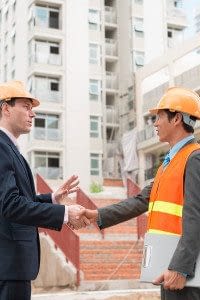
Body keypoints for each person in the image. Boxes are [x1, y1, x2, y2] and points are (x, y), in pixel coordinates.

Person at [82, 87, 200, 300]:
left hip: (184, 272)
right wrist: (98, 215)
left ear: (177, 119)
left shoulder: (194, 159)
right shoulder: (169, 163)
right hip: (168, 265)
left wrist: (181, 268)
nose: (155, 123)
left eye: (159, 117)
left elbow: (195, 217)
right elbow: (141, 199)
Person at [0, 80, 89, 300]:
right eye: (26, 106)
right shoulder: (1, 148)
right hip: (9, 266)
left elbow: (17, 200)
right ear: (5, 108)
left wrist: (52, 198)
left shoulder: (10, 149)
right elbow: (11, 206)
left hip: (12, 266)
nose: (33, 114)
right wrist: (66, 213)